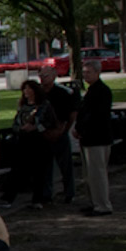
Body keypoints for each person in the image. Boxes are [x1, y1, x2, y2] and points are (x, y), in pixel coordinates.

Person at [1, 80, 56, 209]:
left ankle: (38, 199)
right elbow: (15, 123)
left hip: (39, 142)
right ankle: (9, 197)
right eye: (24, 89)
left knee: (39, 171)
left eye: (29, 89)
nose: (26, 92)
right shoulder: (23, 107)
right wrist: (20, 128)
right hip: (23, 141)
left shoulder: (44, 106)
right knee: (18, 170)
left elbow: (51, 123)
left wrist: (35, 127)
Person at [76, 60, 114, 216]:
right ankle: (94, 202)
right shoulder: (92, 90)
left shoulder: (102, 91)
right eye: (84, 72)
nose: (85, 75)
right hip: (88, 138)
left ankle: (102, 205)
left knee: (97, 173)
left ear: (97, 73)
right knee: (89, 174)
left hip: (98, 138)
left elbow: (96, 116)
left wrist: (81, 128)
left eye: (88, 72)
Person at [40, 64, 79, 203]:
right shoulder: (39, 93)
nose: (43, 79)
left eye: (46, 76)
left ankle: (69, 192)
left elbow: (72, 113)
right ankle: (46, 194)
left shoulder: (63, 93)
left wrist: (64, 129)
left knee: (65, 164)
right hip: (43, 133)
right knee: (45, 166)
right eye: (41, 76)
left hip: (60, 131)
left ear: (54, 76)